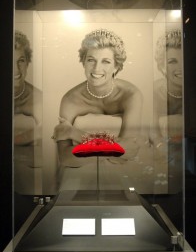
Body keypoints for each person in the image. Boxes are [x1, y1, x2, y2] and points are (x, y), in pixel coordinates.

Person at [52, 29, 143, 189]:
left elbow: (131, 150)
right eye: (91, 60)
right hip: (75, 180)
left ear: (117, 66)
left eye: (106, 61)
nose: (96, 68)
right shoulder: (70, 100)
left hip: (121, 179)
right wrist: (115, 150)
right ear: (83, 62)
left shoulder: (131, 94)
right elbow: (66, 158)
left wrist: (75, 134)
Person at [151, 29, 183, 192]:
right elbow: (154, 136)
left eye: (184, 59)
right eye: (172, 61)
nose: (180, 67)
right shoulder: (153, 92)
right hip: (163, 165)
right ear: (161, 65)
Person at [14, 30, 42, 146]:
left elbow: (48, 130)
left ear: (27, 63)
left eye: (20, 61)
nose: (16, 69)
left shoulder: (38, 97)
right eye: (10, 61)